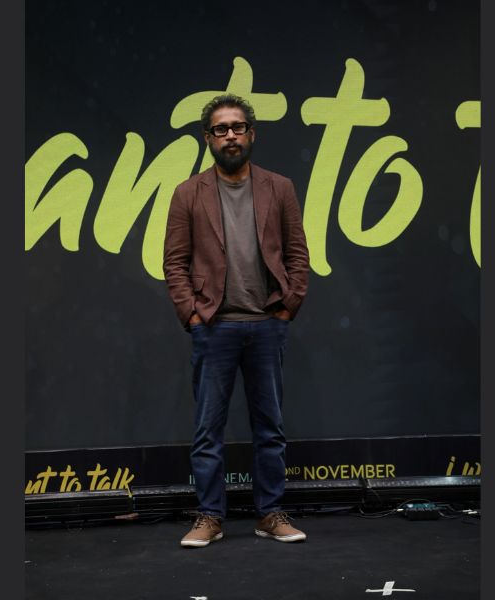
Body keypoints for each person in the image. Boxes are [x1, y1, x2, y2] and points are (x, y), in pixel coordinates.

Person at [163, 93, 310, 547]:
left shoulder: (279, 188)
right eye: (221, 129)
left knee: (270, 429)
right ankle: (210, 517)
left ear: (252, 133)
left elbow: (297, 254)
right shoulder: (188, 193)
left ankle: (270, 514)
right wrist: (192, 314)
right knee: (208, 431)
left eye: (238, 127)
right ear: (208, 138)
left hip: (266, 324)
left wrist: (287, 307)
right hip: (215, 326)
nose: (231, 135)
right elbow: (175, 263)